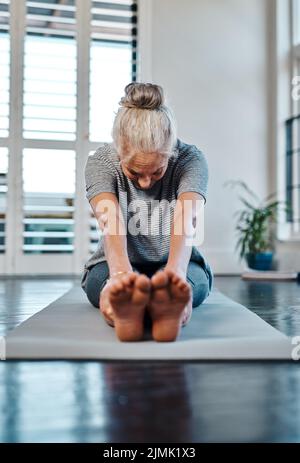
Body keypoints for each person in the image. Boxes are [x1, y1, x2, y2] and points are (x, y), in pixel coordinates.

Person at [81, 82, 213, 342]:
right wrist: (120, 277)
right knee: (106, 284)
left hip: (176, 262)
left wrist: (175, 275)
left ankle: (168, 309)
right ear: (119, 150)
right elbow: (111, 221)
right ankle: (124, 311)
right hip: (113, 263)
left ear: (171, 151)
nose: (145, 182)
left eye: (157, 171)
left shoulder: (191, 160)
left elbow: (186, 219)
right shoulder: (100, 162)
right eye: (134, 172)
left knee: (190, 284)